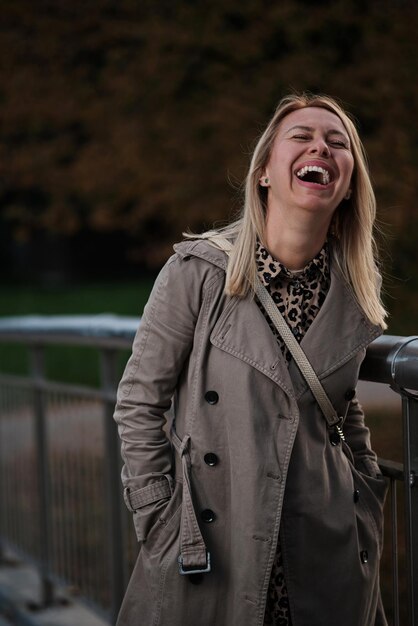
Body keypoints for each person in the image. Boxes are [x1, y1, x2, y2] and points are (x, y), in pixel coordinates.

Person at [113, 93, 388, 626]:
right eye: (302, 137)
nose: (321, 148)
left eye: (338, 143)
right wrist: (159, 516)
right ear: (264, 172)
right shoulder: (199, 273)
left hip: (321, 538)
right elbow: (139, 400)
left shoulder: (355, 293)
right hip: (217, 530)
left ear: (350, 184)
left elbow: (340, 407)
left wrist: (366, 495)